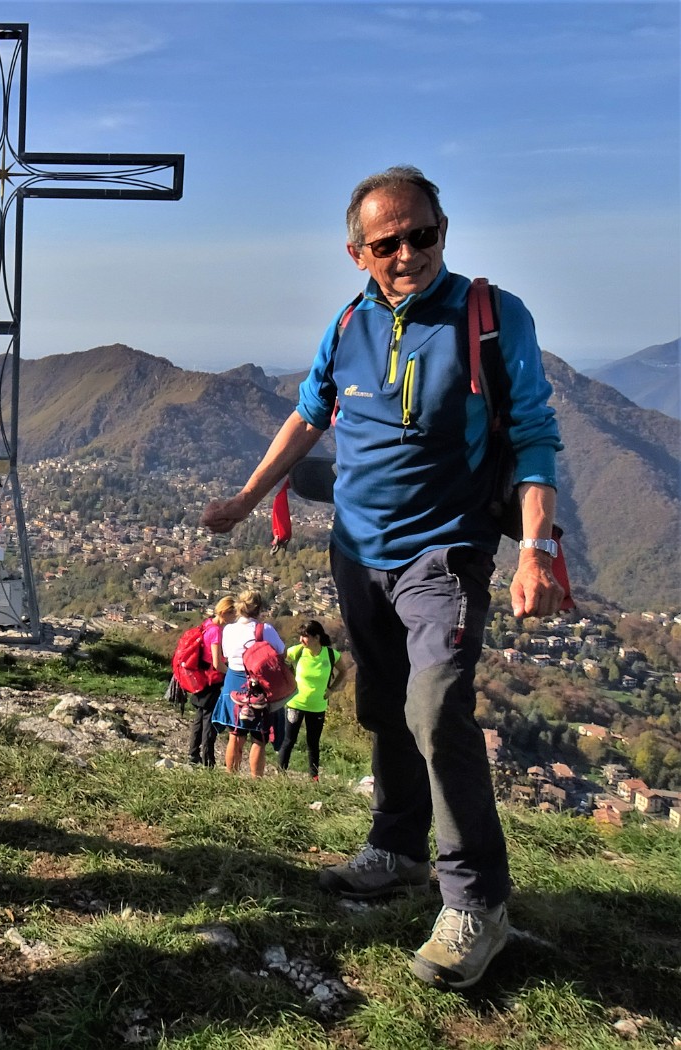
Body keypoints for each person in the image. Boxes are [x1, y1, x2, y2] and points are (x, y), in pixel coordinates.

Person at [200, 166, 564, 990]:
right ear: (357, 252)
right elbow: (310, 411)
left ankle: (476, 901)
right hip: (358, 552)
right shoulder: (350, 322)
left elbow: (537, 432)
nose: (408, 254)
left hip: (446, 552)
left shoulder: (491, 317)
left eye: (422, 234)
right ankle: (398, 847)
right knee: (382, 706)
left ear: (443, 228)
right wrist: (248, 497)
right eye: (387, 242)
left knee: (436, 707)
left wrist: (536, 550)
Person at [210, 590, 284, 778]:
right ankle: (255, 780)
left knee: (236, 733)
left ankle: (230, 775)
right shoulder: (264, 630)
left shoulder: (228, 629)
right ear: (259, 608)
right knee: (259, 736)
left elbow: (225, 655)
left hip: (233, 681)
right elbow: (281, 651)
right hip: (258, 684)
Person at [277, 620, 343, 780]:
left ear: (316, 637)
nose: (301, 640)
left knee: (313, 743)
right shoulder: (297, 652)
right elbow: (279, 662)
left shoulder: (330, 655)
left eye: (305, 637)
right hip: (295, 704)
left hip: (317, 706)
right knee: (288, 741)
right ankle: (280, 775)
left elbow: (343, 671)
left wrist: (332, 689)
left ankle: (314, 778)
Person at [187, 597, 235, 766]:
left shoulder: (207, 624)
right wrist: (231, 673)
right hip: (211, 680)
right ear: (225, 613)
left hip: (201, 678)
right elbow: (216, 663)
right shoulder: (216, 631)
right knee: (209, 720)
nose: (234, 617)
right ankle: (208, 759)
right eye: (232, 613)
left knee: (199, 717)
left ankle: (193, 754)